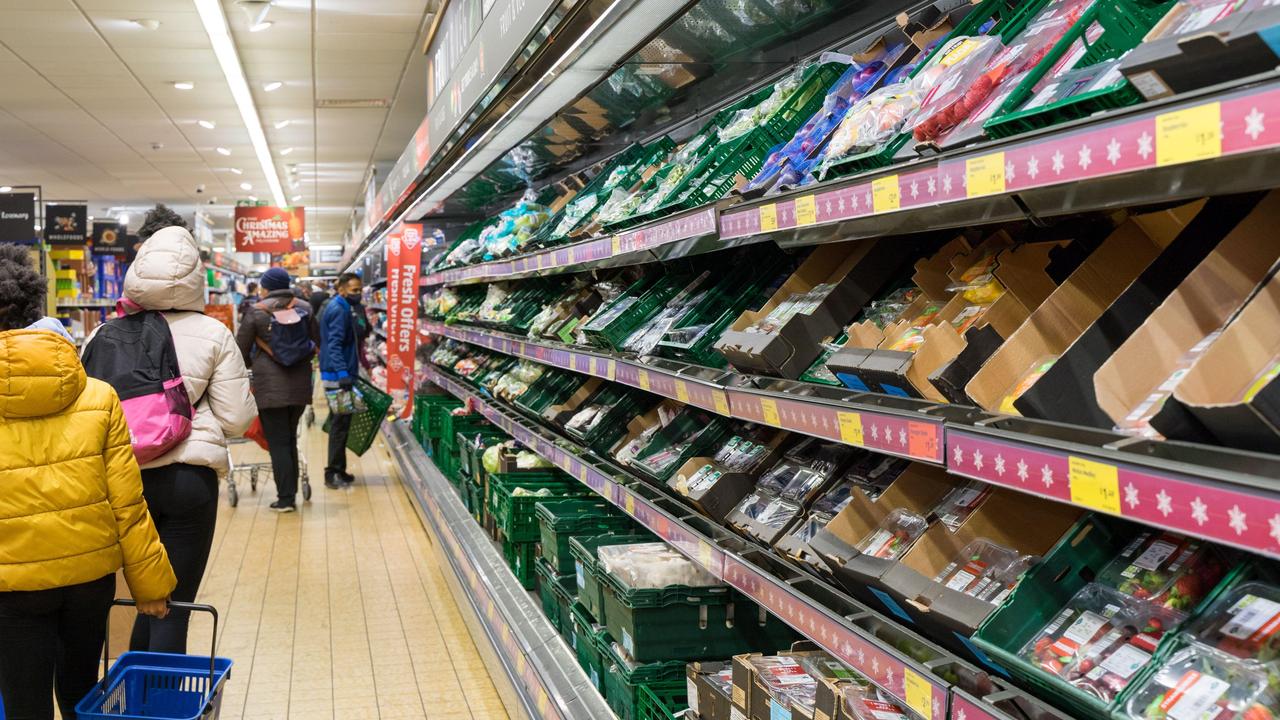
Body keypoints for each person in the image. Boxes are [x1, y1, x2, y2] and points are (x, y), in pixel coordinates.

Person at [0, 244, 176, 720]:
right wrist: (151, 585)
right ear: (36, 307)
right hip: (88, 579)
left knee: (22, 703)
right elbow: (128, 501)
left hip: (12, 585)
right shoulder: (98, 396)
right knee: (83, 695)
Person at [92, 205, 256, 654]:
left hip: (122, 482)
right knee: (174, 605)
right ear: (194, 273)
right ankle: (162, 703)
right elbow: (237, 418)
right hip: (188, 479)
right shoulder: (213, 332)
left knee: (144, 597)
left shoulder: (104, 334)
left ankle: (137, 694)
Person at [236, 267, 316, 512]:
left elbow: (240, 351)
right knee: (290, 438)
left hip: (270, 387)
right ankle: (289, 492)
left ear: (266, 287)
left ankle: (285, 498)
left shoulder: (256, 313)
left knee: (278, 442)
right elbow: (315, 341)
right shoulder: (305, 308)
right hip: (300, 385)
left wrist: (254, 363)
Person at [319, 272, 364, 489]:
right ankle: (332, 473)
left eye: (360, 290)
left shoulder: (344, 307)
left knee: (343, 423)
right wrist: (342, 373)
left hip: (339, 374)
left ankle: (340, 469)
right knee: (339, 424)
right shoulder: (338, 309)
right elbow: (334, 344)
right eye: (354, 290)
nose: (358, 294)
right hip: (337, 377)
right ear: (342, 289)